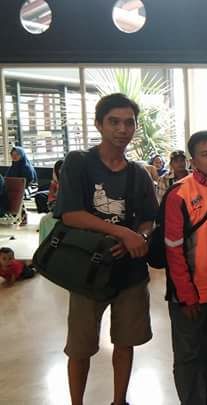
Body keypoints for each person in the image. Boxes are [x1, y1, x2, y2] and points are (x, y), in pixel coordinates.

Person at [54, 93, 158, 405]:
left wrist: (139, 237)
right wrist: (123, 233)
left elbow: (149, 219)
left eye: (129, 122)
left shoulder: (139, 174)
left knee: (126, 341)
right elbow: (71, 214)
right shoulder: (79, 163)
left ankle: (119, 400)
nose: (122, 129)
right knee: (80, 347)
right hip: (87, 270)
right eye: (114, 121)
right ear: (99, 124)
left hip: (129, 273)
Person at [163, 131, 207, 405]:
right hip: (190, 294)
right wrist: (185, 295)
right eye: (206, 154)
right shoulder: (180, 193)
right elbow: (173, 249)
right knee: (188, 355)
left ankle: (205, 394)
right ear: (193, 161)